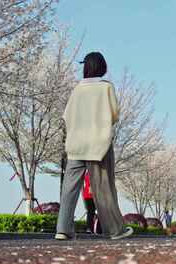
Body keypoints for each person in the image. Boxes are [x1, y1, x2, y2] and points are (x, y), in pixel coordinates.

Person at [55, 52, 133, 240]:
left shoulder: (77, 89)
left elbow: (66, 116)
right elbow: (114, 114)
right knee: (103, 188)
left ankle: (62, 229)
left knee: (69, 189)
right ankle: (114, 230)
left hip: (76, 144)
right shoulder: (106, 87)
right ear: (102, 66)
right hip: (98, 143)